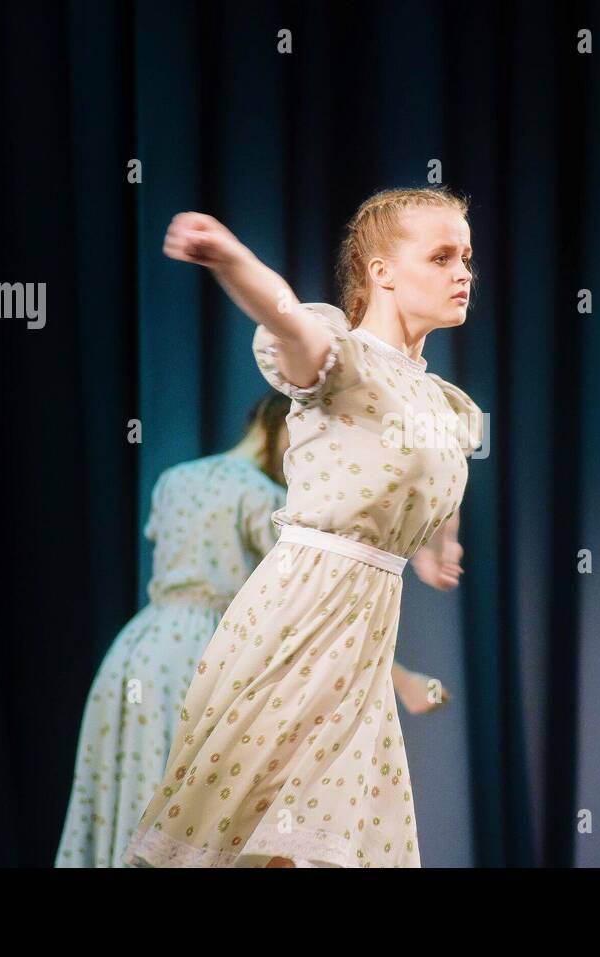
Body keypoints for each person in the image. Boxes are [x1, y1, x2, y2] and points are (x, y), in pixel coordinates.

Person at [121, 186, 482, 868]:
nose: (463, 271)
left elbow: (435, 475)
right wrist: (230, 258)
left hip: (364, 641)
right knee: (272, 839)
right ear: (382, 271)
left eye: (466, 256)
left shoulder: (446, 405)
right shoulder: (342, 358)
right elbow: (288, 320)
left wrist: (439, 546)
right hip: (299, 621)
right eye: (441, 256)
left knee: (322, 845)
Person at [57, 386, 461, 867]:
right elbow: (319, 606)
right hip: (213, 650)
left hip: (141, 648)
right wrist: (403, 679)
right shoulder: (266, 500)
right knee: (204, 807)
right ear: (285, 427)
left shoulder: (174, 479)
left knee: (142, 792)